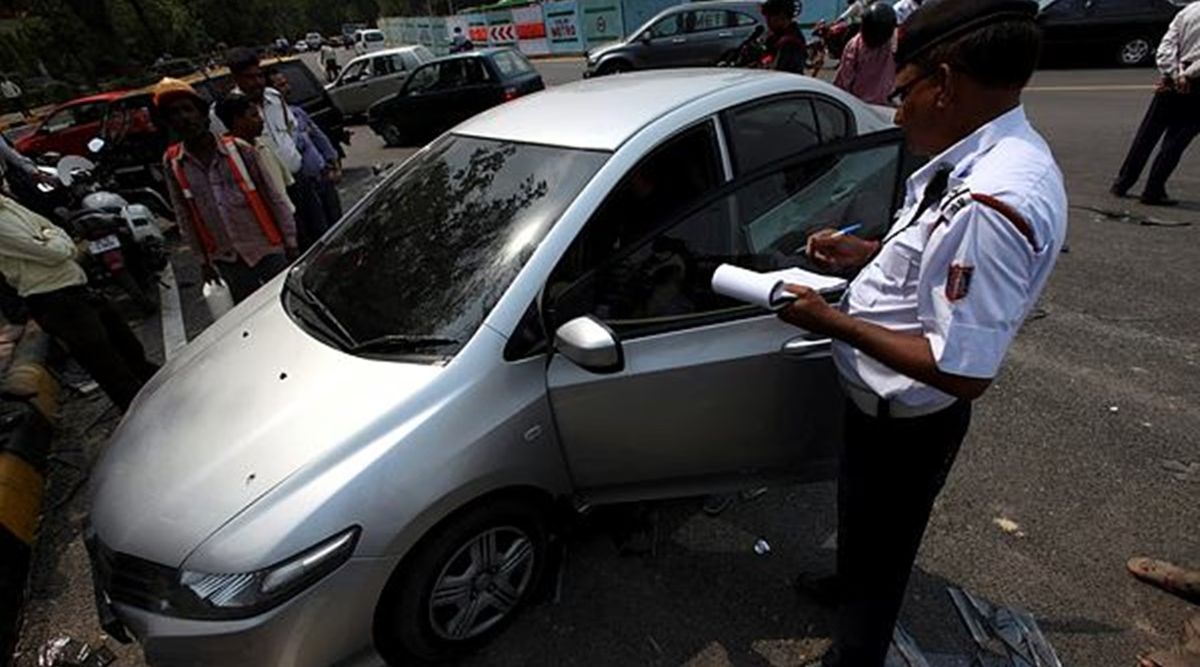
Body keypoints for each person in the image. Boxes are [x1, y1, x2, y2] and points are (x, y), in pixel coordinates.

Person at [778, 1, 1068, 665]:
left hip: (907, 421)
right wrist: (870, 254)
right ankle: (850, 585)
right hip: (877, 404)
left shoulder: (997, 201)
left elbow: (962, 367)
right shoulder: (978, 156)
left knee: (887, 548)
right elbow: (931, 258)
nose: (895, 107)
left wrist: (831, 321)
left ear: (945, 82)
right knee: (862, 522)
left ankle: (857, 650)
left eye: (901, 91)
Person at [0, 194, 157, 410]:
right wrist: (53, 239)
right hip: (53, 298)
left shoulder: (8, 204)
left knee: (130, 349)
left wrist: (52, 236)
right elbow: (52, 252)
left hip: (77, 287)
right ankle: (146, 422)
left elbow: (53, 229)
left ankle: (169, 401)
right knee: (111, 370)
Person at [154, 78, 297, 304]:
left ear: (202, 114)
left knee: (288, 304)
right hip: (227, 259)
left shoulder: (240, 150)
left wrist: (290, 242)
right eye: (174, 113)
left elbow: (273, 197)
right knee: (251, 316)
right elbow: (184, 215)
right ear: (168, 122)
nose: (183, 118)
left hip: (266, 249)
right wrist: (203, 261)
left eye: (187, 110)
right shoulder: (173, 163)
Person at [1110, 0, 1200, 206]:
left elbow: (1167, 46)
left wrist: (1173, 72)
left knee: (1148, 133)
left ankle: (1122, 182)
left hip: (1171, 79)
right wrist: (1187, 75)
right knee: (1176, 140)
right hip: (1195, 83)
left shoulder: (1189, 11)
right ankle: (1153, 189)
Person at [267, 69, 343, 247]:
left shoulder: (298, 113)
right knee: (321, 232)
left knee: (339, 225)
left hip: (323, 177)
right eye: (281, 85)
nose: (287, 88)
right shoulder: (272, 124)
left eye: (286, 83)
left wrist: (334, 163)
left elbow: (320, 138)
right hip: (305, 185)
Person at [214, 93, 294, 214]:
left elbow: (286, 183)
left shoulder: (264, 145)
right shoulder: (228, 157)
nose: (261, 120)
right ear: (238, 120)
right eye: (254, 115)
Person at [833, 2, 897, 105]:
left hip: (862, 103)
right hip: (871, 102)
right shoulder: (889, 44)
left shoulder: (856, 45)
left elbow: (845, 78)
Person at [763, 0, 808, 74]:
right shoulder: (777, 37)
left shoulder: (789, 42)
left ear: (782, 16)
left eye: (769, 18)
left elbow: (778, 72)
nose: (768, 23)